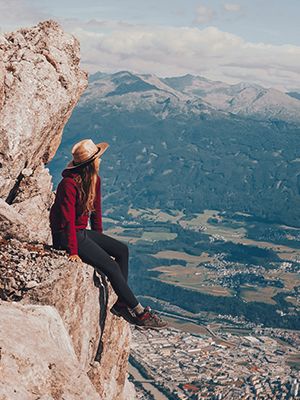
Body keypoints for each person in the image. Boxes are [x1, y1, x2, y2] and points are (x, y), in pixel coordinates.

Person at [49, 138, 168, 330]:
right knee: (112, 267)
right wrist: (72, 251)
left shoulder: (94, 180)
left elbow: (95, 211)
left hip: (82, 233)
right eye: (98, 158)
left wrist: (100, 240)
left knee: (122, 250)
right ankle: (139, 313)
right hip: (66, 235)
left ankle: (121, 303)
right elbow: (67, 220)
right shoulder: (68, 185)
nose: (100, 161)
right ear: (91, 162)